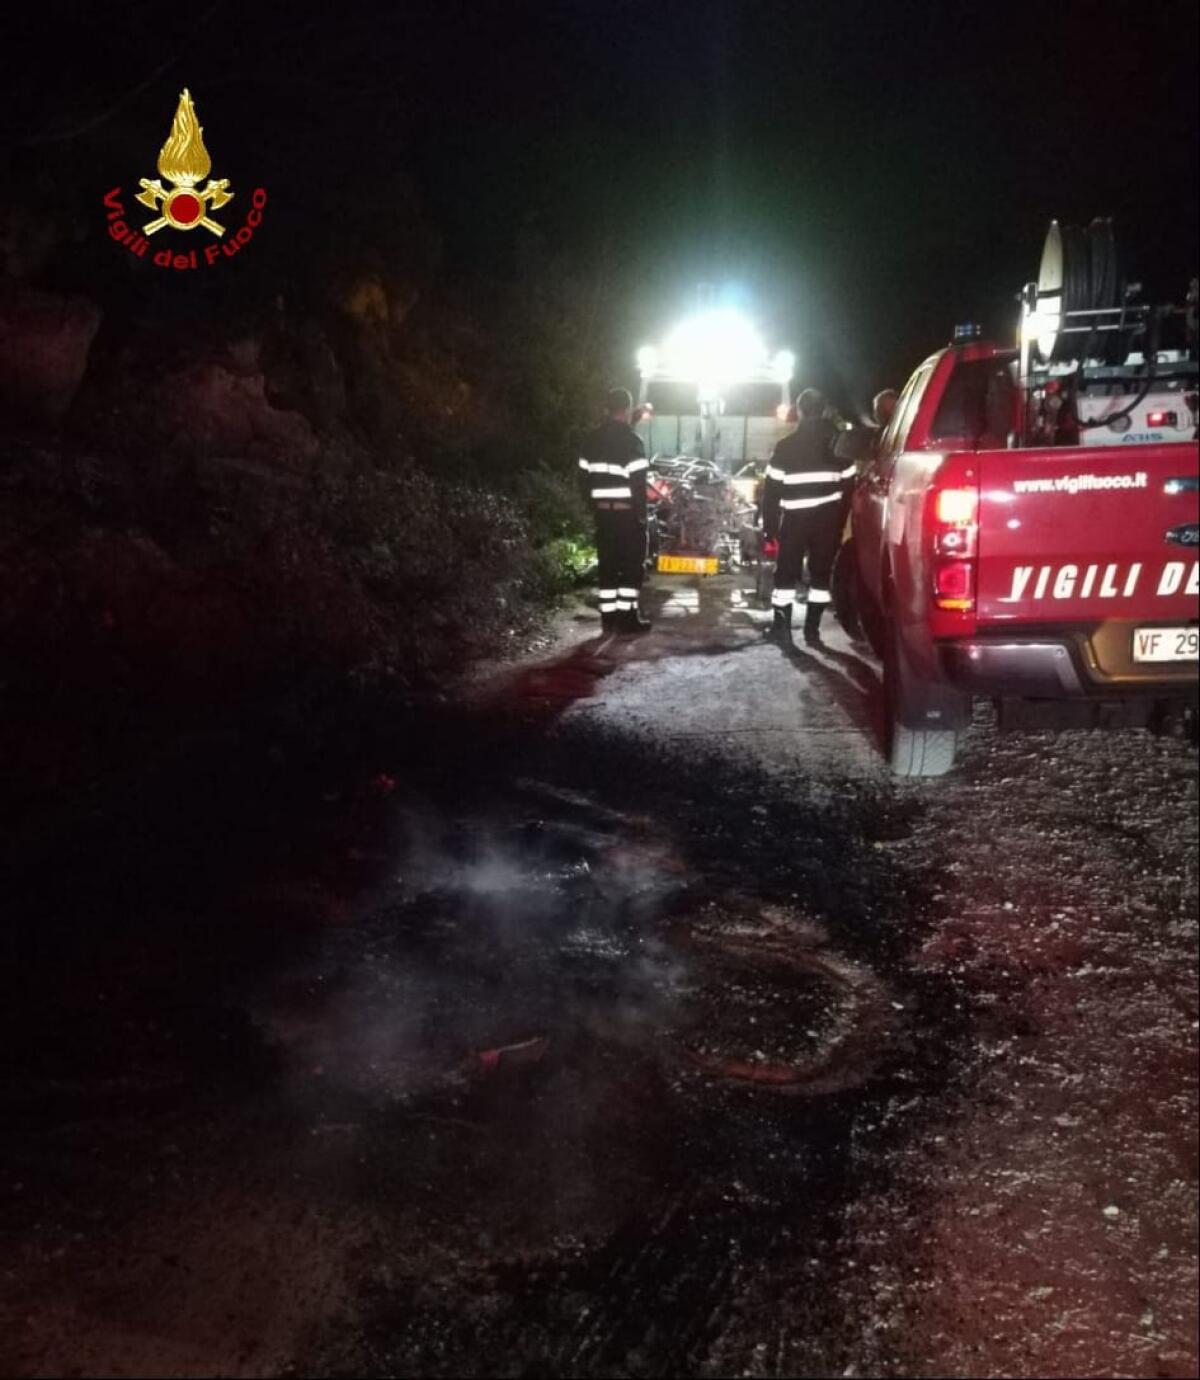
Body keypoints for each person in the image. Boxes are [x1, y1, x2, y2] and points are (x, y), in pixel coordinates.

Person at [761, 386, 856, 646]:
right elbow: (850, 488)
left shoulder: (785, 447)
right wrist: (839, 521)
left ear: (800, 411)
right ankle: (812, 632)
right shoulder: (840, 446)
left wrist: (769, 529)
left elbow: (770, 493)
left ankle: (782, 629)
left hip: (793, 522)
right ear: (824, 409)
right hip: (828, 522)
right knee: (821, 576)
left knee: (785, 575)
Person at [579, 387, 651, 634]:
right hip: (627, 516)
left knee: (607, 566)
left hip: (603, 516)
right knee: (631, 566)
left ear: (608, 408)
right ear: (627, 409)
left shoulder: (591, 440)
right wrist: (642, 516)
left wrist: (592, 506)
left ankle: (608, 620)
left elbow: (583, 478)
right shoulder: (632, 441)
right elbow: (638, 485)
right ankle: (627, 619)